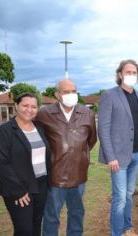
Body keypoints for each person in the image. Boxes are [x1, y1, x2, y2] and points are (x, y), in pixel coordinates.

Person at [36, 79, 97, 236]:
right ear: (57, 95)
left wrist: (78, 154)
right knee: (51, 216)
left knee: (76, 214)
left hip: (79, 174)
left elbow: (91, 140)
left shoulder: (87, 113)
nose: (71, 94)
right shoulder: (44, 113)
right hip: (55, 175)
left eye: (74, 91)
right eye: (66, 91)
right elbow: (37, 139)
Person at [0, 92, 51, 236]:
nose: (29, 110)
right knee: (24, 230)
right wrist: (18, 190)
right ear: (16, 106)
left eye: (33, 107)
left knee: (36, 225)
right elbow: (1, 163)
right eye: (25, 105)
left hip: (41, 185)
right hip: (19, 189)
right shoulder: (5, 131)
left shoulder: (40, 129)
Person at [98, 59, 138, 236]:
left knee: (129, 194)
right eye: (128, 72)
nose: (131, 75)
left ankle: (127, 227)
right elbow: (103, 128)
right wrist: (110, 156)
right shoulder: (109, 95)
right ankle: (116, 233)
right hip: (117, 157)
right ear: (120, 74)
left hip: (135, 154)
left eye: (134, 72)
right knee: (119, 198)